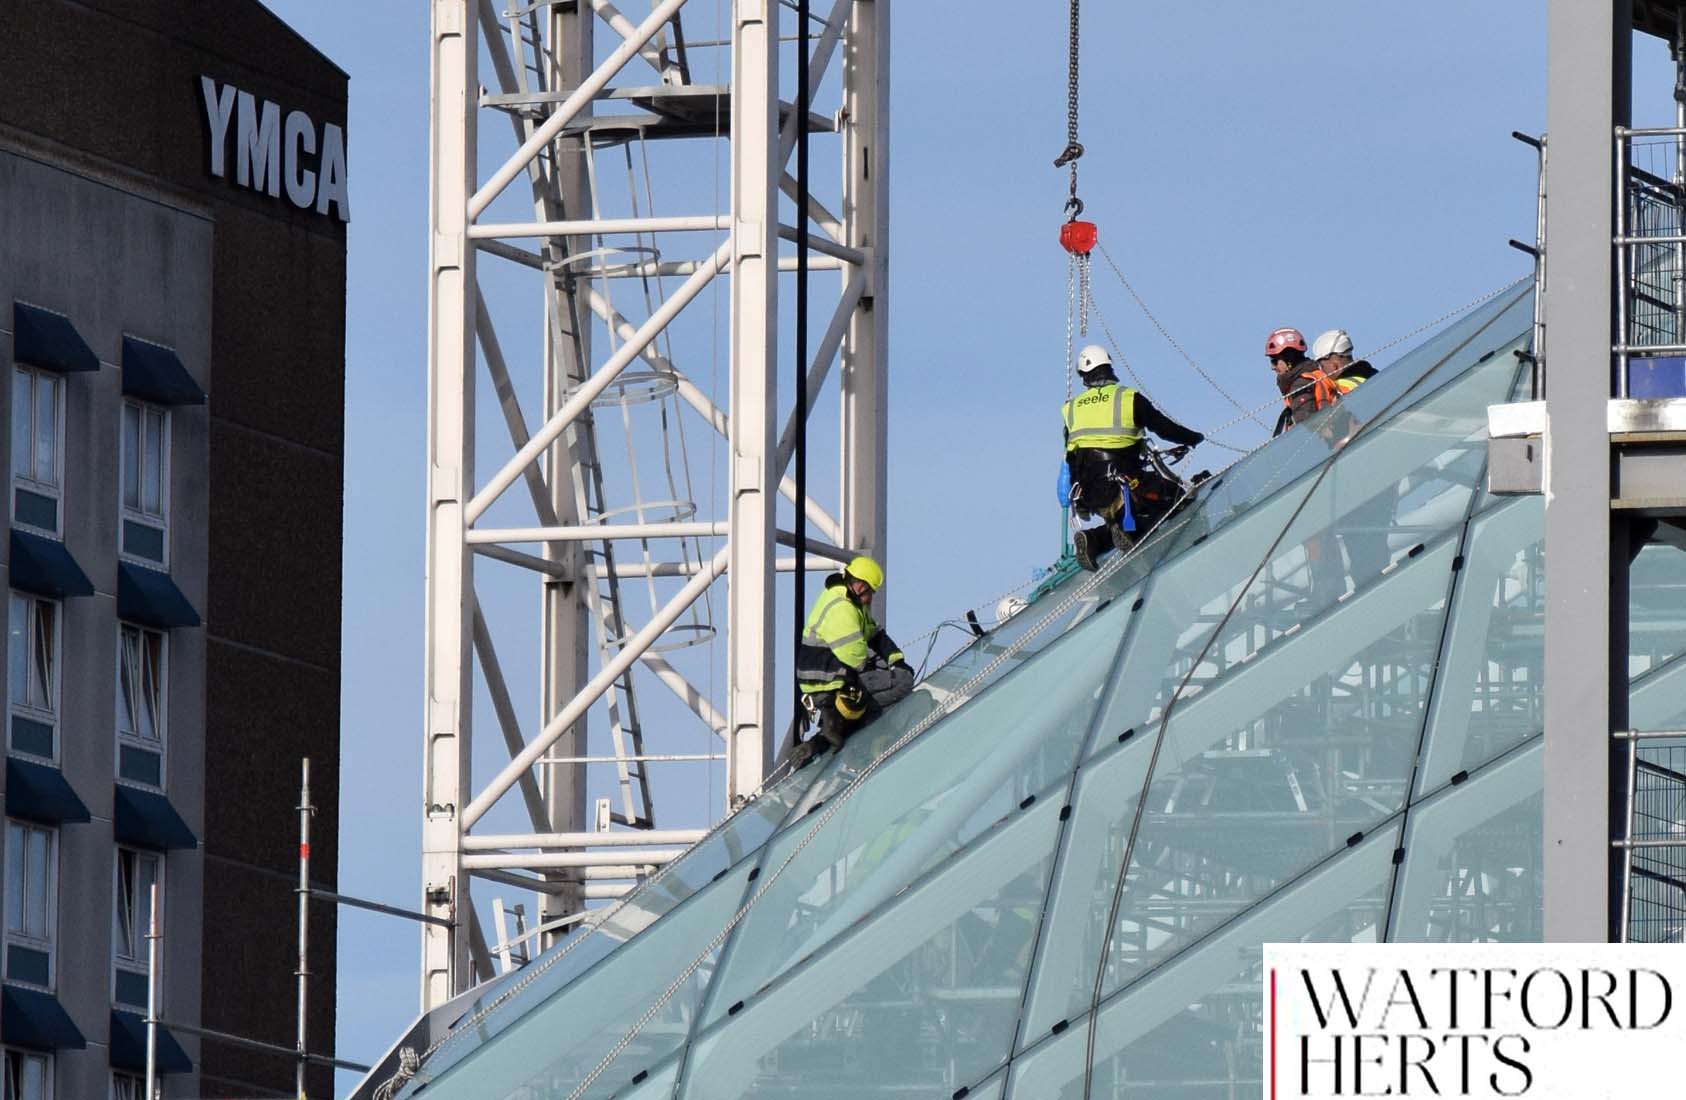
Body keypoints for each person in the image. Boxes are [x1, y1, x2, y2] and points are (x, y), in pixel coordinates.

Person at [1061, 344, 1204, 570]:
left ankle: (1095, 540)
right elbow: (1163, 427)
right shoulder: (1127, 398)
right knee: (1176, 498)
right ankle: (1131, 532)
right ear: (1108, 368)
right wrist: (1192, 438)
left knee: (1127, 515)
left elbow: (1071, 456)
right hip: (1125, 485)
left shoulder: (1072, 409)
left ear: (1083, 376)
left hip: (1088, 494)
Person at [787, 555, 912, 768]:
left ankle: (819, 743)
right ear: (860, 586)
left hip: (831, 676)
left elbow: (875, 634)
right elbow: (856, 656)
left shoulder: (851, 602)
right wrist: (892, 669)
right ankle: (850, 731)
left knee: (858, 709)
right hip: (830, 679)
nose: (871, 597)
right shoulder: (840, 607)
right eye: (870, 591)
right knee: (903, 682)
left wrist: (896, 658)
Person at [1271, 327, 1369, 437]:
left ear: (1334, 364)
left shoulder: (1303, 383)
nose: (1272, 367)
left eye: (1274, 361)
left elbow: (1306, 431)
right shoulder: (1373, 376)